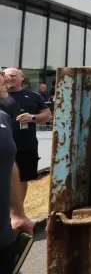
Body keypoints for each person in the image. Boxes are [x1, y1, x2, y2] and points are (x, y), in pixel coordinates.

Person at [0, 75, 34, 273]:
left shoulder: (3, 118)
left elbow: (9, 163)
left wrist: (18, 214)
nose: (4, 79)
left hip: (4, 239)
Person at [2, 69, 51, 206]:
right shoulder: (1, 95)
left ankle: (18, 212)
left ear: (22, 77)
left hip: (25, 145)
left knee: (22, 180)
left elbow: (47, 114)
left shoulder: (34, 96)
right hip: (3, 145)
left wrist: (32, 117)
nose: (9, 78)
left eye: (13, 76)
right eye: (6, 76)